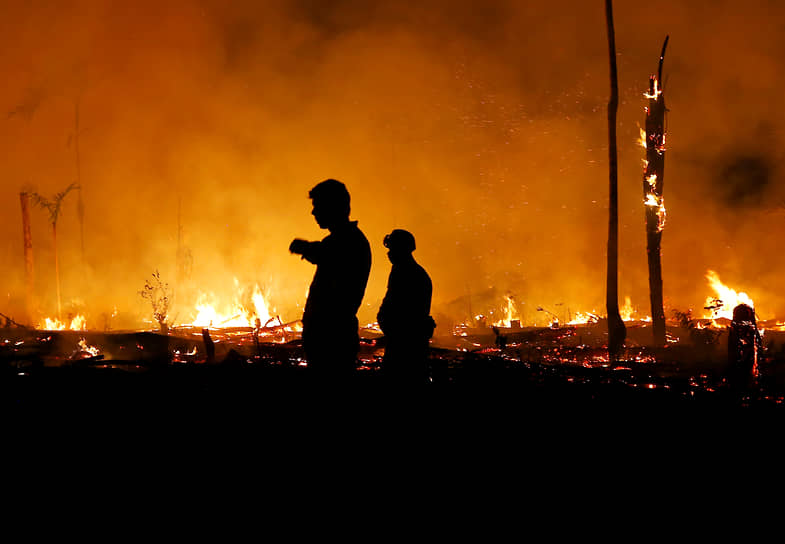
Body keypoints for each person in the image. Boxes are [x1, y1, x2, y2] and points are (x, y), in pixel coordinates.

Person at [290, 179, 371, 381]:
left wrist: (306, 248)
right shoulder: (344, 240)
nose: (314, 212)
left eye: (317, 206)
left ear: (333, 206)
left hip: (332, 339)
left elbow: (326, 254)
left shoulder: (349, 241)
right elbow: (325, 252)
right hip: (329, 337)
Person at [377, 229, 435, 385]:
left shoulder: (409, 274)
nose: (389, 253)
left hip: (405, 346)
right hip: (404, 341)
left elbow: (401, 312)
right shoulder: (406, 271)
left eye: (392, 249)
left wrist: (390, 329)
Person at [727, 303, 763, 397]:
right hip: (744, 358)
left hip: (739, 358)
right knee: (745, 378)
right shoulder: (746, 327)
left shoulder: (735, 326)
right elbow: (753, 342)